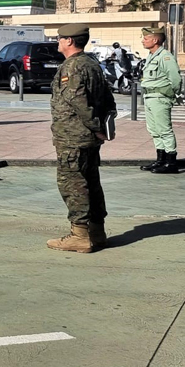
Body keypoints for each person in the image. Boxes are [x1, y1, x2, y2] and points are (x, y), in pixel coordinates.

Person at [47, 24, 115, 253]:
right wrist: (105, 125)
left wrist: (96, 126)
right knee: (91, 183)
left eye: (59, 38)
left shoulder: (72, 67)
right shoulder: (91, 64)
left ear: (69, 41)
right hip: (87, 138)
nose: (57, 42)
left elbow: (78, 102)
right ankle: (97, 232)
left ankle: (79, 235)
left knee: (73, 184)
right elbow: (107, 97)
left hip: (73, 138)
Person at [138, 26, 182, 174]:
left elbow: (175, 79)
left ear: (155, 40)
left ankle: (171, 162)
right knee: (154, 130)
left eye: (146, 38)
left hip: (160, 97)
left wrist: (171, 94)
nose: (143, 41)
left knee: (164, 130)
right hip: (150, 96)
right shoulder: (152, 56)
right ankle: (161, 160)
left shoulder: (165, 57)